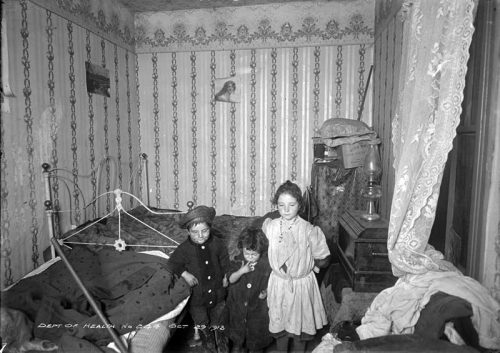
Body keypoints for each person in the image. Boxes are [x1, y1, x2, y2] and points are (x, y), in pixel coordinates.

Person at [262, 180, 331, 353]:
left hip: (301, 285)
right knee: (280, 324)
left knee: (300, 326)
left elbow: (324, 258)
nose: (285, 210)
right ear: (276, 205)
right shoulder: (270, 226)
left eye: (291, 205)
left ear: (299, 205)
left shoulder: (309, 230)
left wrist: (308, 264)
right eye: (281, 205)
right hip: (278, 283)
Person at [167, 205, 230, 353]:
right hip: (197, 296)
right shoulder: (184, 249)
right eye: (195, 232)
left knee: (219, 317)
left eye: (205, 231)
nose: (200, 235)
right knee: (201, 320)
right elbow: (172, 264)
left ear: (210, 228)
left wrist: (227, 275)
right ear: (188, 231)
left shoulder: (218, 243)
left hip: (217, 291)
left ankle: (221, 338)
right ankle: (207, 339)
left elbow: (225, 261)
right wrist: (184, 274)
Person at [225, 228, 273, 353]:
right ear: (242, 248)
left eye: (254, 254)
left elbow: (273, 283)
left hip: (257, 308)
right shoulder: (237, 261)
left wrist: (267, 291)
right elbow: (231, 279)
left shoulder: (266, 264)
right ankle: (237, 346)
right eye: (247, 253)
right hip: (238, 307)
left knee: (256, 339)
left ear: (262, 251)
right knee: (237, 337)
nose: (250, 257)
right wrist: (241, 271)